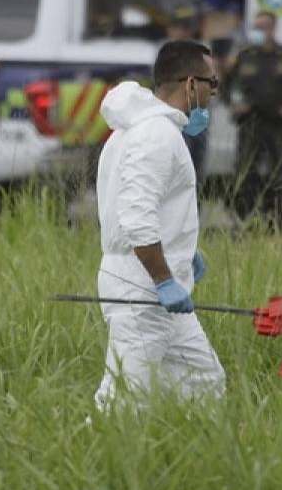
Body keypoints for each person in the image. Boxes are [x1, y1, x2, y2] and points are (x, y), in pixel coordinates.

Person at [93, 39, 225, 410]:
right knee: (124, 401)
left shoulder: (149, 130)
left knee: (202, 382)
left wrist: (182, 253)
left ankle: (189, 461)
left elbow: (151, 208)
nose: (214, 93)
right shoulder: (156, 135)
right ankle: (93, 459)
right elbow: (135, 217)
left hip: (159, 284)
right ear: (189, 85)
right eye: (211, 84)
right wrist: (164, 279)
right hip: (143, 289)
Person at [224, 10, 282, 226]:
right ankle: (244, 220)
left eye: (263, 27)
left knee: (280, 174)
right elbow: (225, 82)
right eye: (256, 27)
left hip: (279, 123)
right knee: (245, 172)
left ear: (273, 28)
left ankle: (276, 221)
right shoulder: (244, 55)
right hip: (251, 121)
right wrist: (234, 104)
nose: (259, 31)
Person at [164, 6, 208, 184]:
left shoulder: (201, 53)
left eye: (187, 28)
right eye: (180, 27)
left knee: (195, 160)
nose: (184, 32)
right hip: (171, 113)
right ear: (171, 29)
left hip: (196, 112)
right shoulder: (164, 54)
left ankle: (195, 204)